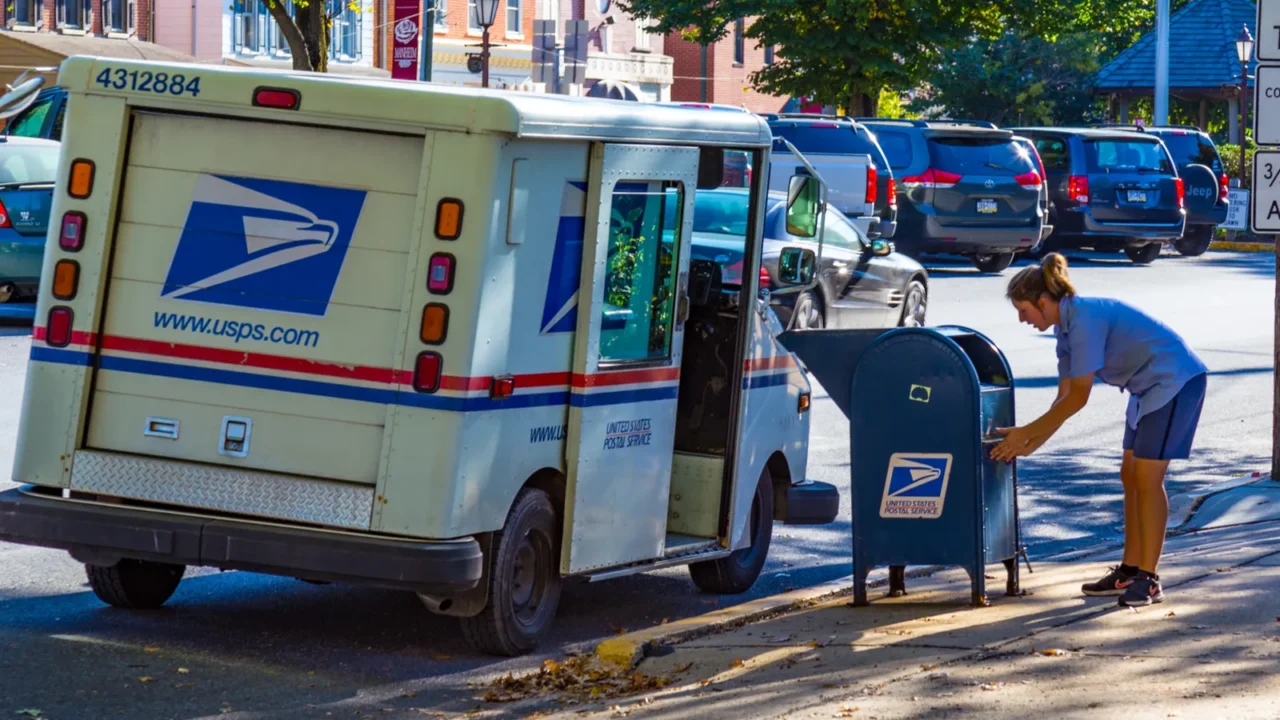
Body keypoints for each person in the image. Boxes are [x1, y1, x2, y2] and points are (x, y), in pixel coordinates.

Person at [990, 253, 1207, 607]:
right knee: (1130, 475)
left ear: (1043, 301)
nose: (1022, 319)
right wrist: (1029, 443)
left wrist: (1026, 432)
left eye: (1023, 310)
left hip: (1175, 382)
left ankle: (1149, 581)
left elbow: (1078, 399)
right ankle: (1130, 571)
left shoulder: (1085, 319)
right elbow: (1063, 398)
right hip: (1145, 389)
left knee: (1147, 479)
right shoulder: (1065, 329)